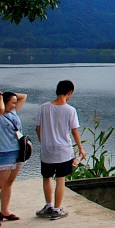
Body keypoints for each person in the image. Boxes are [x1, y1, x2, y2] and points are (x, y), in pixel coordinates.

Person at [35, 81, 84, 220]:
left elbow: (38, 128)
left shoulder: (43, 108)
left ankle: (48, 205)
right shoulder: (70, 110)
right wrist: (80, 148)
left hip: (47, 151)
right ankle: (57, 209)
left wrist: (44, 142)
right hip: (63, 151)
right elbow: (75, 131)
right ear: (69, 93)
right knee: (60, 179)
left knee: (47, 178)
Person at [0, 91, 27, 226]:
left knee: (9, 183)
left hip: (18, 152)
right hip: (5, 153)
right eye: (12, 103)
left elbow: (23, 96)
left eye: (15, 103)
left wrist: (7, 93)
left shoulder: (13, 113)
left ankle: (5, 211)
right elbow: (0, 108)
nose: (14, 105)